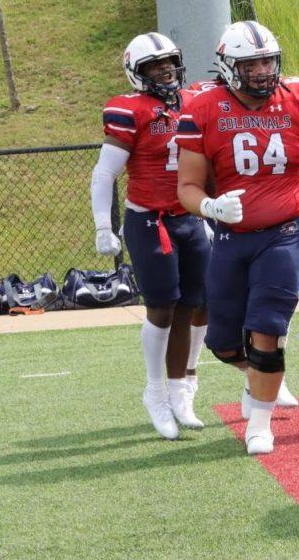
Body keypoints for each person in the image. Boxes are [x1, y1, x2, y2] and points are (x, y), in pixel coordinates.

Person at [176, 20, 299, 455]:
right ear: (228, 67)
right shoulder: (203, 108)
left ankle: (260, 422)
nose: (264, 71)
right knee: (223, 342)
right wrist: (209, 207)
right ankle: (262, 377)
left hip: (285, 231)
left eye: (268, 60)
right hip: (231, 237)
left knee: (267, 325)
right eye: (252, 63)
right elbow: (186, 186)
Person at [92, 33, 211, 439]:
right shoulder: (130, 110)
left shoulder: (193, 101)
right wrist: (102, 227)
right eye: (153, 66)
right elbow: (105, 173)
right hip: (149, 220)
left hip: (190, 217)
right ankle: (155, 391)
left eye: (169, 62)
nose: (164, 71)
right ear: (135, 73)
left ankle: (181, 389)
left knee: (196, 304)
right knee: (162, 307)